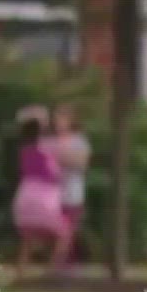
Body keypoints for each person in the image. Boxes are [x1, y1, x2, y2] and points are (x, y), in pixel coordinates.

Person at [11, 116, 71, 278]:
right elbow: (54, 173)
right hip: (43, 198)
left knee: (27, 239)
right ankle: (51, 272)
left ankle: (20, 272)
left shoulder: (24, 151)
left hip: (25, 195)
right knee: (62, 233)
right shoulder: (45, 152)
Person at [47, 103, 92, 269]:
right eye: (56, 119)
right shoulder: (50, 141)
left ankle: (60, 265)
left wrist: (61, 157)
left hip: (72, 194)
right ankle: (64, 264)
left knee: (68, 230)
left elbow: (81, 163)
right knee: (57, 231)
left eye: (62, 118)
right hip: (50, 195)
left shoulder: (79, 141)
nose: (58, 122)